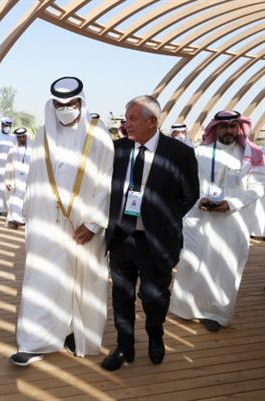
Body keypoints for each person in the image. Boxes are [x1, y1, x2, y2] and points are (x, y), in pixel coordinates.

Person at [10, 77, 114, 366]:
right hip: (47, 226)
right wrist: (29, 220)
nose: (65, 109)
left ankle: (74, 333)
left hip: (84, 227)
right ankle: (34, 342)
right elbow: (33, 181)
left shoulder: (99, 135)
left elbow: (106, 182)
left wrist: (93, 224)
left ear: (81, 103)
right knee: (42, 280)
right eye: (59, 104)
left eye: (71, 104)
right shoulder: (43, 134)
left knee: (83, 282)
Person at [101, 95, 199, 371]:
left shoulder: (179, 153)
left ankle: (156, 336)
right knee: (121, 296)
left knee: (155, 297)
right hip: (121, 237)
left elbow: (190, 194)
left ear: (152, 121)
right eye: (126, 119)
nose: (126, 124)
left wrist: (162, 219)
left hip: (157, 240)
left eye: (132, 119)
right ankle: (124, 346)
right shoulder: (116, 149)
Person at [169, 110, 265, 332]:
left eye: (233, 126)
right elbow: (187, 181)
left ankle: (215, 314)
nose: (228, 131)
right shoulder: (199, 152)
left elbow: (257, 187)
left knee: (224, 267)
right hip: (199, 215)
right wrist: (198, 199)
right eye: (223, 126)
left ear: (239, 128)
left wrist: (230, 203)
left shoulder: (251, 155)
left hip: (233, 219)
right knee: (192, 263)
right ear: (215, 128)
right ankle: (187, 308)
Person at [5, 127, 32, 229]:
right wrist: (8, 181)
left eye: (23, 136)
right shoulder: (12, 150)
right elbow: (8, 166)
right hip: (15, 181)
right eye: (19, 137)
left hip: (28, 180)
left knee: (27, 200)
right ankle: (15, 220)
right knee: (15, 200)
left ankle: (25, 220)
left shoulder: (33, 149)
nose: (21, 139)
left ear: (26, 136)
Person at [0, 117, 17, 214]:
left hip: (9, 167)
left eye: (9, 125)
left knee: (7, 187)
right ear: (2, 125)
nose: (7, 127)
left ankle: (6, 210)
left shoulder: (13, 137)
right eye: (6, 125)